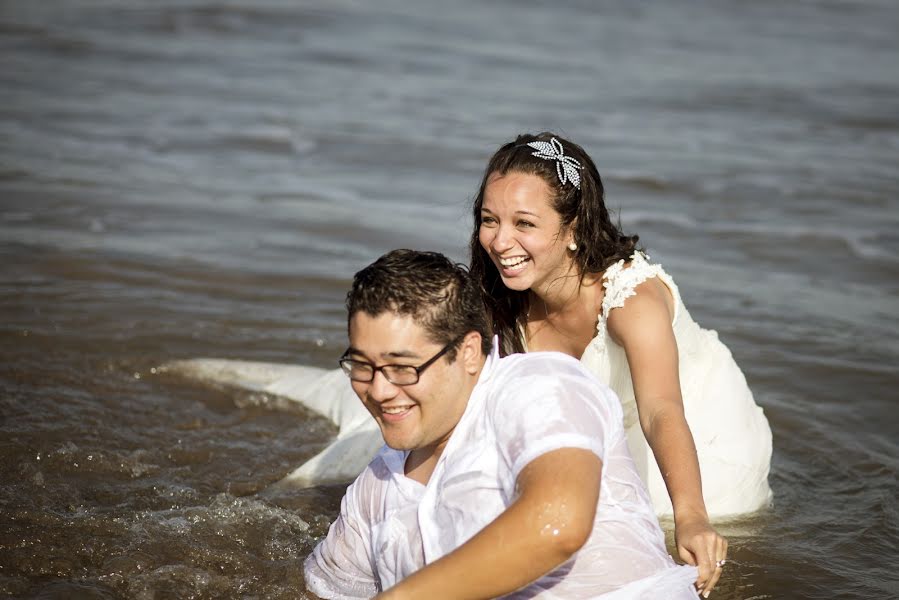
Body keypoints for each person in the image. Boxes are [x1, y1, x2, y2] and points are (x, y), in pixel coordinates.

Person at [304, 249, 701, 599]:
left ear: (470, 353)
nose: (379, 389)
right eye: (362, 366)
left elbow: (559, 524)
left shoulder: (540, 388)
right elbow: (323, 590)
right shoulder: (373, 491)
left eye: (403, 368)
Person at [469, 132, 773, 588]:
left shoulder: (632, 298)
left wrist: (693, 516)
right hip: (596, 426)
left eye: (524, 224)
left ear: (572, 231)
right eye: (489, 219)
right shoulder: (501, 293)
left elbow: (660, 410)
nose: (500, 241)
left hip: (695, 433)